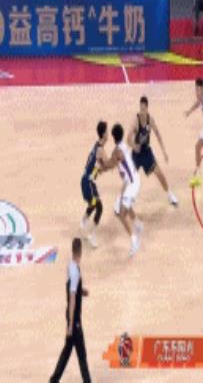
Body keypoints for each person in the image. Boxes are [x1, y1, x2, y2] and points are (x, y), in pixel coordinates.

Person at [50, 238, 91, 383]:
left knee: (67, 351)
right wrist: (71, 325)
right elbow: (72, 298)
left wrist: (81, 291)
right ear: (80, 251)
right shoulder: (75, 272)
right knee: (81, 354)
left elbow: (71, 288)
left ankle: (54, 379)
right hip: (74, 318)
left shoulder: (71, 266)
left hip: (71, 316)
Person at [127, 96, 178, 207]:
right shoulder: (135, 120)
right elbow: (128, 139)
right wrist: (134, 146)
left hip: (146, 152)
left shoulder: (150, 120)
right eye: (140, 108)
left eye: (143, 109)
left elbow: (158, 135)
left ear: (147, 108)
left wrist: (164, 151)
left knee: (159, 174)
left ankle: (170, 195)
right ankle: (123, 200)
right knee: (130, 179)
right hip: (136, 155)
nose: (142, 111)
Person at [101, 124, 143, 257]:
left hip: (131, 184)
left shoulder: (117, 151)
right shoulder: (123, 146)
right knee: (123, 206)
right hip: (131, 181)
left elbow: (109, 165)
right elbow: (113, 164)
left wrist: (99, 166)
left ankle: (134, 240)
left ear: (113, 137)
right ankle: (138, 224)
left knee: (121, 213)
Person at [80, 121, 108, 249]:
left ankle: (83, 224)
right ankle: (92, 234)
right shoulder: (101, 150)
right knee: (99, 207)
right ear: (104, 134)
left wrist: (99, 169)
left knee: (93, 203)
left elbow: (98, 165)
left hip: (87, 180)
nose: (108, 134)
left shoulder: (96, 145)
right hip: (88, 182)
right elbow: (107, 164)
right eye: (107, 131)